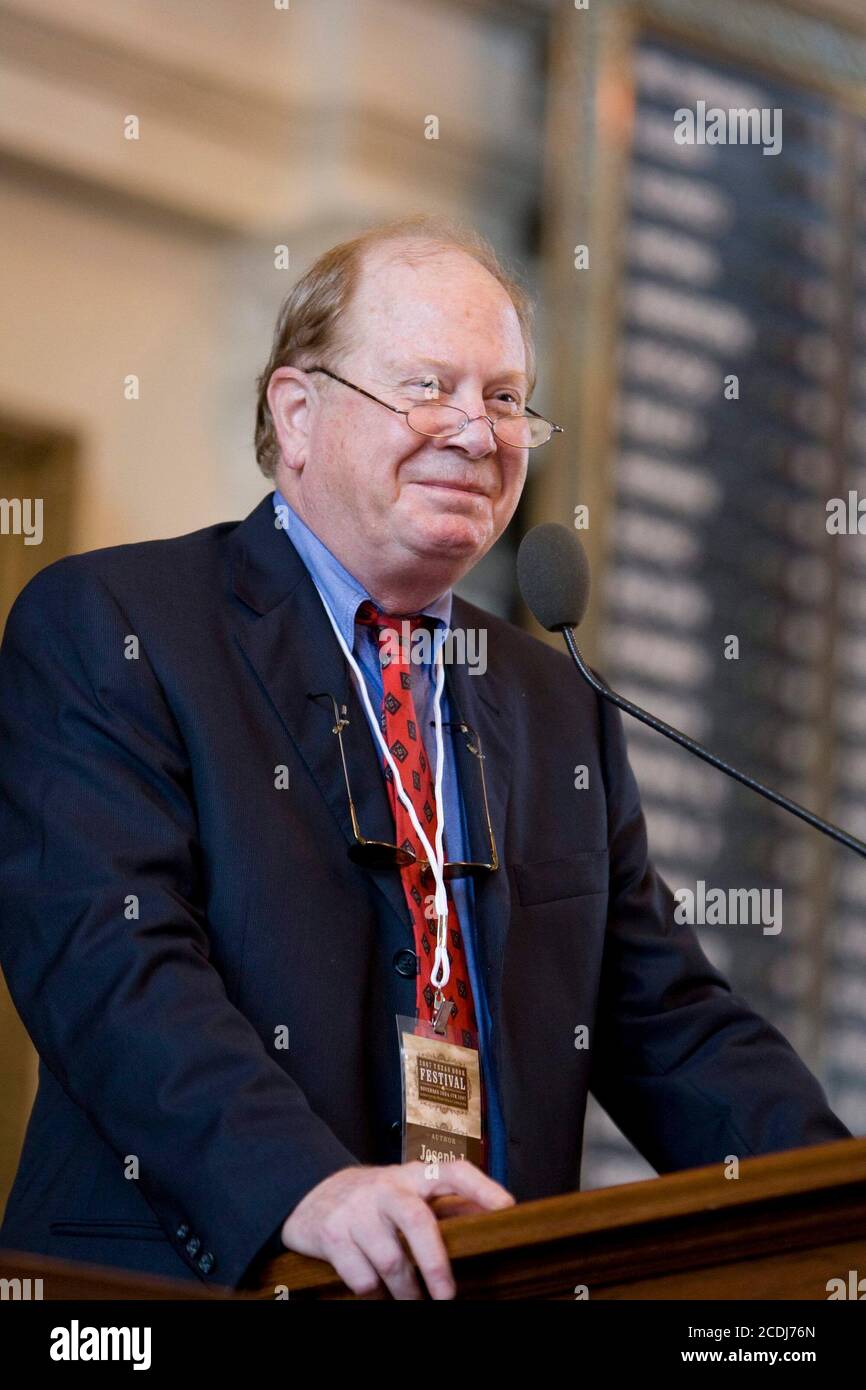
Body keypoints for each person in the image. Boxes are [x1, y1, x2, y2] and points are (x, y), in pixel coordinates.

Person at [0, 214, 851, 1300]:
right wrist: (306, 1188)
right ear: (297, 413)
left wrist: (834, 1203)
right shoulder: (120, 624)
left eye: (502, 398)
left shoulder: (555, 705)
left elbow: (666, 1023)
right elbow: (110, 967)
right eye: (425, 386)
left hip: (476, 1284)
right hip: (182, 1292)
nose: (473, 431)